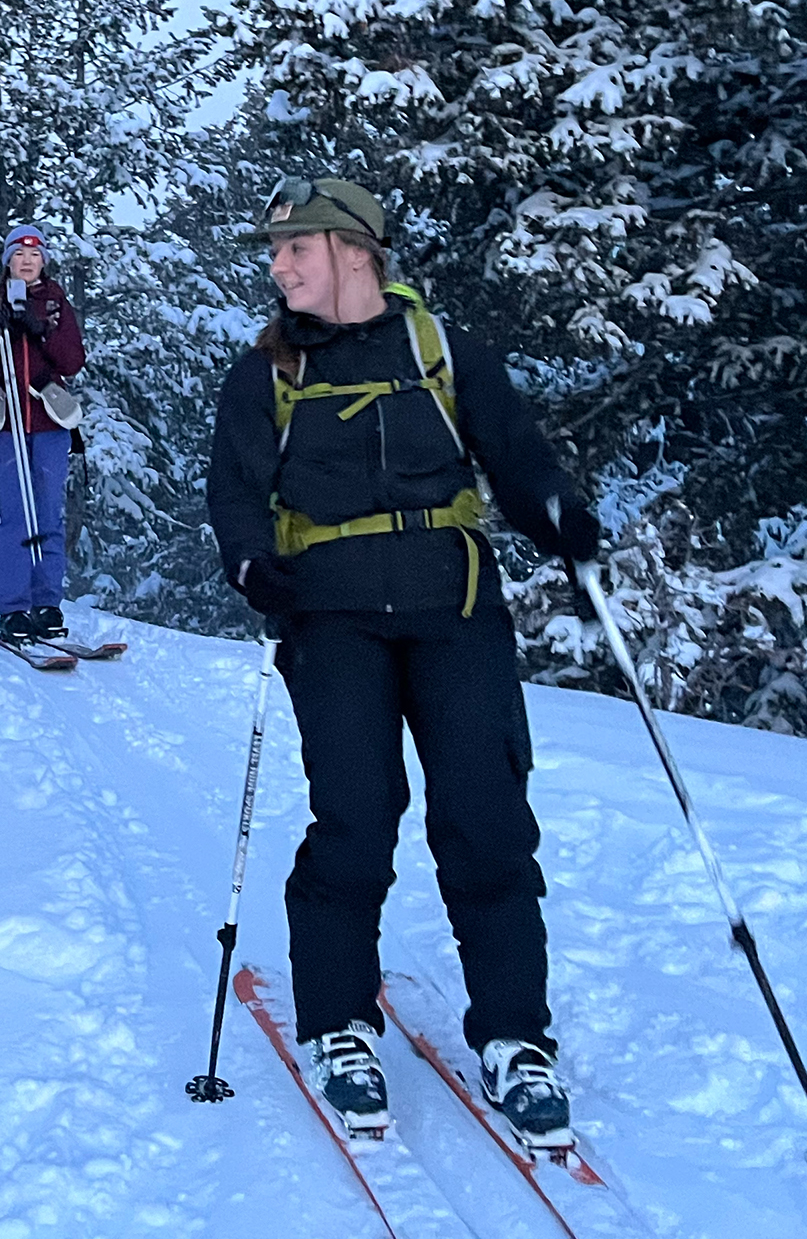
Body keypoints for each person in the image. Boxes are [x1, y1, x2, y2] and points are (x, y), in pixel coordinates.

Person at [204, 177, 603, 1146]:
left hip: (455, 613)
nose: (277, 264)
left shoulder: (442, 355)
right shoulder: (265, 374)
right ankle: (340, 1024)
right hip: (329, 619)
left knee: (486, 818)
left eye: (294, 247)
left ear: (352, 251)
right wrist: (251, 557)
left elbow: (516, 461)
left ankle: (514, 1037)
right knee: (355, 816)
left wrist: (554, 511)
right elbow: (234, 488)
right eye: (274, 251)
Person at [0, 225, 86, 644]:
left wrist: (39, 329)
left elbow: (71, 361)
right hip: (6, 424)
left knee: (47, 511)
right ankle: (13, 606)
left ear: (43, 261)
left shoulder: (56, 305)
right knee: (16, 515)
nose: (27, 261)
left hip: (49, 422)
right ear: (8, 262)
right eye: (19, 254)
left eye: (34, 254)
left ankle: (47, 602)